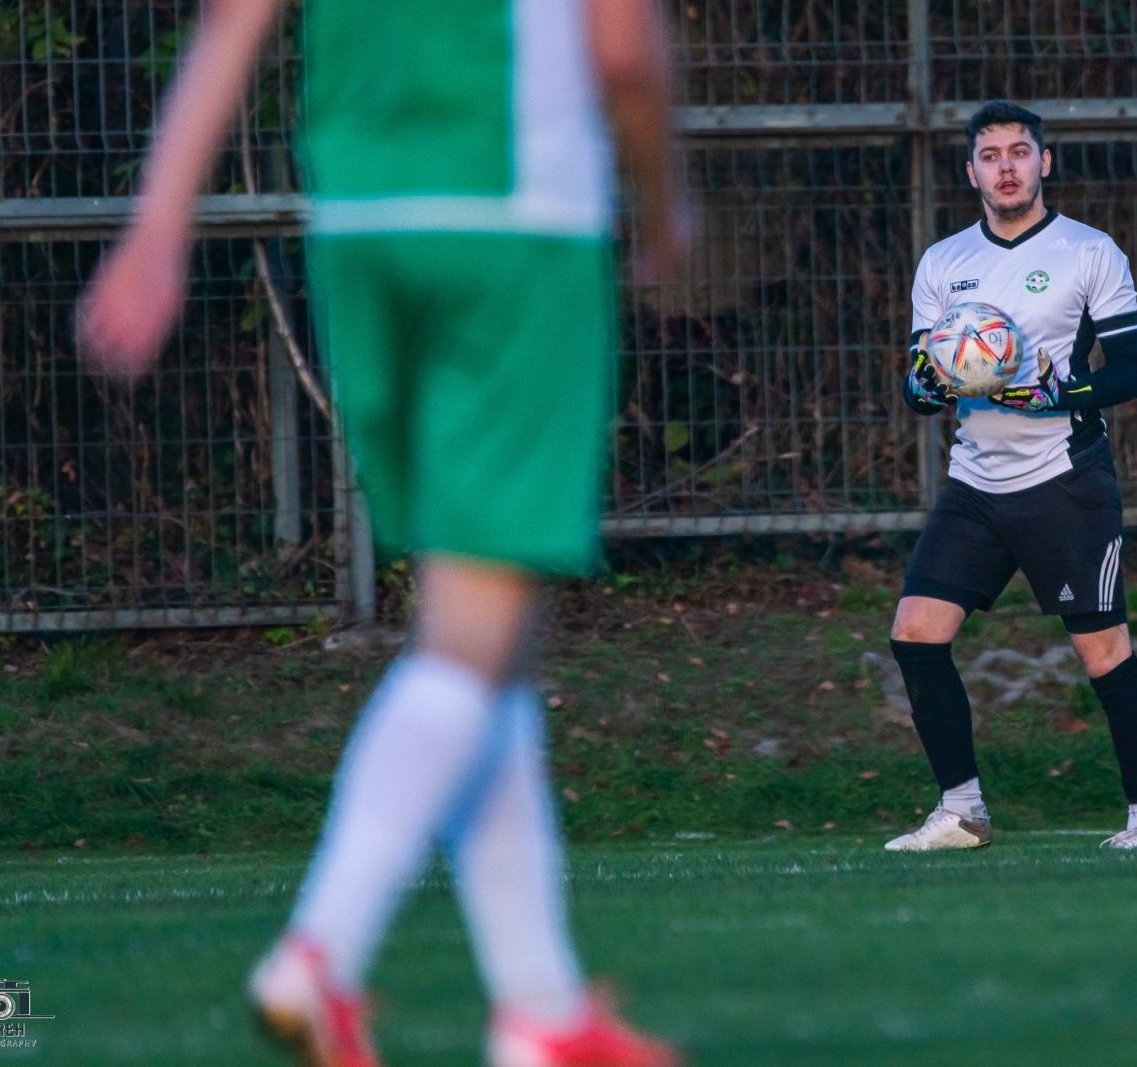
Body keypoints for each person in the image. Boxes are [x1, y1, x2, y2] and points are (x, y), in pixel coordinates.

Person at [78, 1, 688, 1064]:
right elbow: (623, 47)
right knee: (472, 637)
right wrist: (670, 202)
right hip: (516, 218)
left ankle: (540, 1011)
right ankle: (319, 951)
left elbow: (234, 20)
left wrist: (155, 227)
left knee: (482, 634)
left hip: (361, 224)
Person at [885, 100, 1137, 854]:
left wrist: (1060, 392)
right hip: (975, 484)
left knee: (1103, 654)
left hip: (1065, 482)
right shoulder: (944, 263)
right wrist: (934, 384)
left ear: (1045, 162)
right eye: (990, 154)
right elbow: (917, 384)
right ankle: (962, 810)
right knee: (916, 631)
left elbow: (1132, 370)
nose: (1006, 166)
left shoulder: (1089, 252)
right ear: (970, 170)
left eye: (1019, 151)